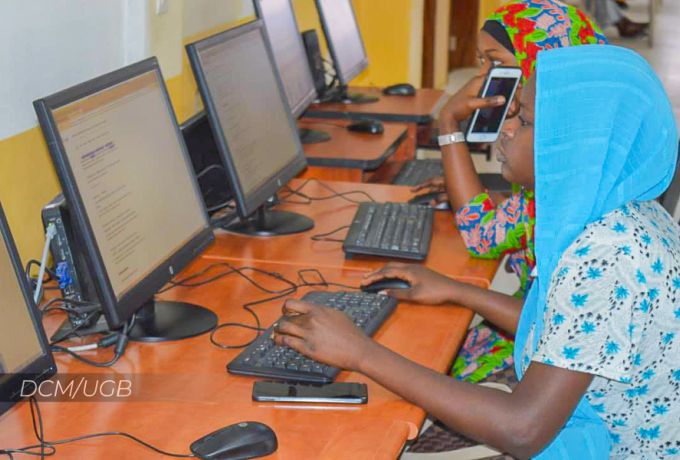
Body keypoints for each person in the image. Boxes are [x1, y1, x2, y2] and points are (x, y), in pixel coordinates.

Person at [273, 45, 680, 458]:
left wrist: (359, 351)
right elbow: (569, 331)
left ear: (574, 147)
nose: (506, 128)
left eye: (525, 120)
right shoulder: (625, 208)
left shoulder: (606, 253)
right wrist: (458, 291)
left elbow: (522, 430)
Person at [416, 0, 607, 383]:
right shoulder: (582, 145)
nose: (483, 77)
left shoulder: (562, 174)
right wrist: (500, 200)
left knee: (418, 346)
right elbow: (519, 222)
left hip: (544, 357)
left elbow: (482, 236)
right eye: (480, 62)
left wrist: (449, 124)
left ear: (542, 61)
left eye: (495, 62)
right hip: (537, 332)